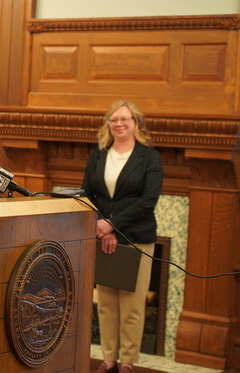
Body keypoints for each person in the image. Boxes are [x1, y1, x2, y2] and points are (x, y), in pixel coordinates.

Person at [82, 100, 163, 373]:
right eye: (114, 120)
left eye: (125, 119)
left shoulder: (149, 158)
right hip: (103, 237)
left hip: (137, 238)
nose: (119, 124)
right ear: (109, 125)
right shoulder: (98, 156)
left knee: (132, 304)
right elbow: (87, 195)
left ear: (135, 123)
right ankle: (108, 359)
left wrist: (112, 226)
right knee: (105, 303)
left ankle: (127, 361)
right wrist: (101, 226)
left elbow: (148, 200)